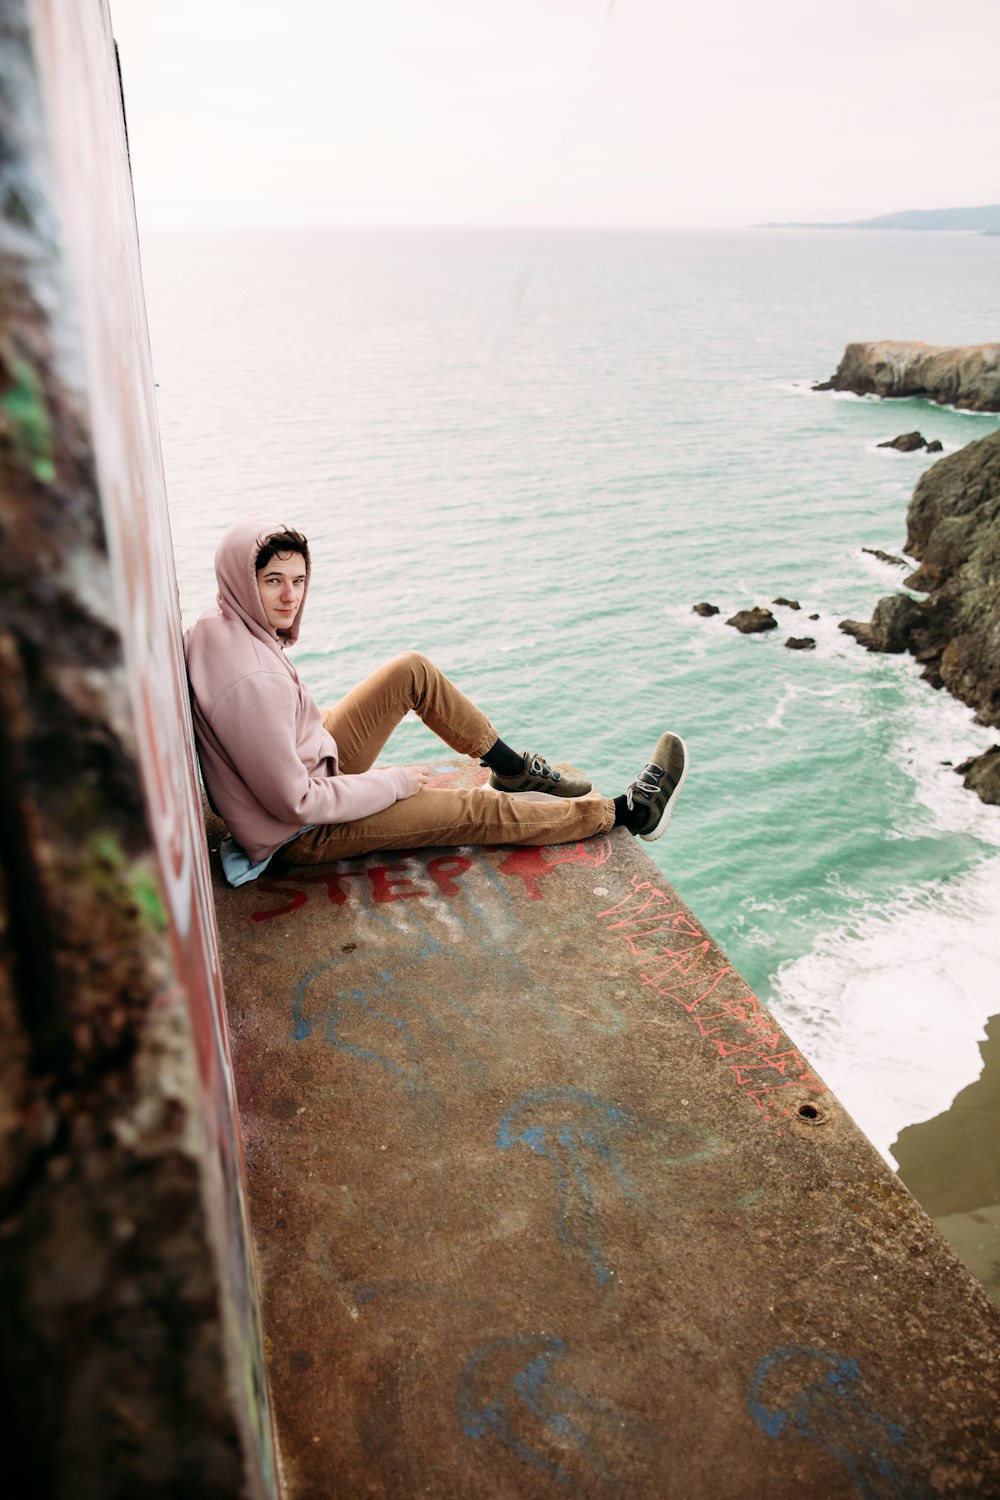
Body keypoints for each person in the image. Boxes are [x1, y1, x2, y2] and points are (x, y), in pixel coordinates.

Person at [184, 514, 688, 886]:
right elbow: (297, 802)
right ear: (241, 580)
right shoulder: (252, 681)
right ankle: (627, 813)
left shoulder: (217, 624)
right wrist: (393, 783)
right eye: (272, 582)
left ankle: (510, 766)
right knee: (475, 812)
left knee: (411, 671)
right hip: (304, 829)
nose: (290, 598)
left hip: (314, 755)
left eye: (298, 581)